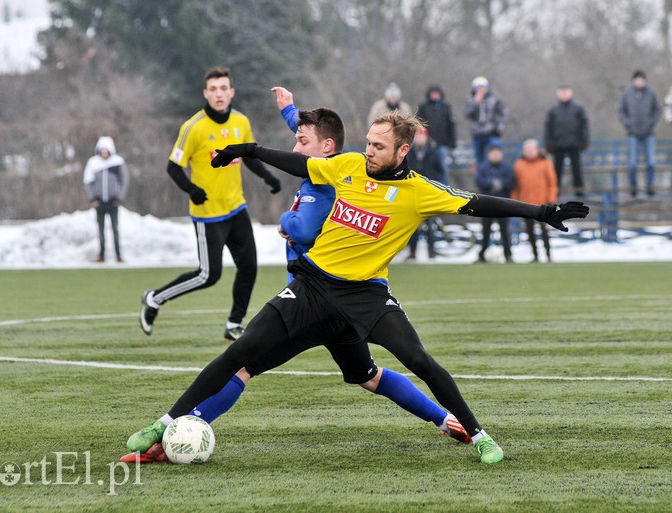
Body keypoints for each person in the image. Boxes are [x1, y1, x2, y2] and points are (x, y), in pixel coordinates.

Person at [125, 111, 589, 464]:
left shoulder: (419, 192)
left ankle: (478, 434)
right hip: (311, 288)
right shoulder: (346, 166)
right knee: (239, 354)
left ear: (401, 152)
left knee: (417, 360)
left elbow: (480, 203)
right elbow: (300, 162)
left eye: (379, 146)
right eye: (368, 143)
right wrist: (248, 150)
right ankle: (162, 425)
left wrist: (541, 212)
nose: (369, 151)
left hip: (365, 298)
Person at [138, 66, 282, 341]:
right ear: (205, 93)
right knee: (208, 275)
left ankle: (233, 324)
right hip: (208, 215)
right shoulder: (193, 127)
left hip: (236, 207)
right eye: (213, 89)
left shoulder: (241, 122)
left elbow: (249, 155)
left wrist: (268, 177)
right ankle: (154, 298)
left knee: (249, 267)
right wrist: (191, 189)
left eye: (223, 88)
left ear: (232, 92)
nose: (219, 94)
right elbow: (173, 166)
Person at [83, 136, 129, 263]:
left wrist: (119, 197)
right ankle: (101, 255)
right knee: (100, 229)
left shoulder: (117, 162)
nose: (104, 153)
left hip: (113, 202)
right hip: (99, 202)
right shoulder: (93, 163)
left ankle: (118, 255)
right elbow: (87, 181)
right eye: (102, 150)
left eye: (106, 150)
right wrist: (92, 198)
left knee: (115, 228)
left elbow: (124, 181)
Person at [512, 139, 559, 263]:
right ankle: (535, 255)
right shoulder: (519, 165)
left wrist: (550, 199)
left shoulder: (545, 163)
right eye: (527, 150)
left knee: (544, 230)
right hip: (525, 203)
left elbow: (552, 182)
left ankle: (548, 254)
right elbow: (515, 185)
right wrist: (514, 200)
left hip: (542, 203)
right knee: (529, 231)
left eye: (531, 150)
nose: (529, 152)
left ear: (537, 150)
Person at [617, 70, 662, 197]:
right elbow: (621, 111)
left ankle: (650, 186)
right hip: (632, 133)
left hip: (649, 133)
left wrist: (651, 123)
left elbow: (658, 109)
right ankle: (633, 187)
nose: (639, 82)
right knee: (632, 163)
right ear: (633, 81)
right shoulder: (626, 94)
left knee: (651, 162)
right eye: (637, 79)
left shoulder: (652, 93)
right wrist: (628, 123)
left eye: (641, 79)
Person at [405, 128, 445, 260]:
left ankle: (431, 250)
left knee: (430, 224)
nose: (420, 138)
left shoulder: (433, 153)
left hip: (428, 193)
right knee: (413, 225)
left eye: (422, 136)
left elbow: (440, 171)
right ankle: (412, 251)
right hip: (413, 193)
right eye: (418, 136)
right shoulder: (409, 153)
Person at [544, 85, 589, 196]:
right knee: (557, 170)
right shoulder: (553, 110)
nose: (564, 94)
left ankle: (579, 191)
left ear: (570, 93)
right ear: (558, 94)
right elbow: (548, 128)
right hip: (558, 144)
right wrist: (549, 144)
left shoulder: (578, 109)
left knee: (577, 168)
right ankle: (555, 191)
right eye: (562, 92)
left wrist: (584, 141)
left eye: (566, 92)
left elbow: (584, 126)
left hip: (574, 143)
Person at [474, 143, 515, 263]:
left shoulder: (507, 167)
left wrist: (501, 184)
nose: (495, 155)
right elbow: (479, 181)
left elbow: (511, 181)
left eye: (497, 153)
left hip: (503, 204)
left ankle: (508, 255)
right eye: (493, 153)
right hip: (486, 204)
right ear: (489, 154)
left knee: (505, 231)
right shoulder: (483, 167)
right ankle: (482, 255)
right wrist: (491, 183)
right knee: (485, 231)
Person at [416, 84, 456, 184]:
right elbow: (417, 124)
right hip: (426, 144)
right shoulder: (423, 107)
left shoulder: (446, 107)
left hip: (442, 144)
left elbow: (451, 126)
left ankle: (444, 188)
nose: (434, 96)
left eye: (436, 93)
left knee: (443, 167)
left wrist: (452, 143)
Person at [464, 76, 507, 169]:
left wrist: (499, 127)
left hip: (492, 132)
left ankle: (496, 175)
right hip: (477, 133)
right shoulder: (471, 99)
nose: (481, 90)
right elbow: (468, 114)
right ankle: (482, 179)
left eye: (482, 87)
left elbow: (503, 113)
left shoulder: (495, 98)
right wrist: (476, 103)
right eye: (478, 88)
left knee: (495, 154)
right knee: (479, 159)